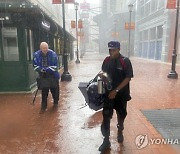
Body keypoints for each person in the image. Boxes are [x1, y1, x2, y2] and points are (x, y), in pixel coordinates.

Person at [98, 41, 133, 152]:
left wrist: (116, 90)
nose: (111, 52)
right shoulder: (107, 60)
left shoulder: (125, 61)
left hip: (121, 94)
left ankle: (120, 130)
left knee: (121, 115)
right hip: (108, 94)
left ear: (119, 49)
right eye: (110, 50)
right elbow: (103, 72)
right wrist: (102, 75)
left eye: (114, 50)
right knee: (106, 116)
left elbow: (128, 77)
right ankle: (106, 140)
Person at [33, 42, 60, 113]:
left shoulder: (53, 54)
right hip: (43, 76)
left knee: (55, 90)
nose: (45, 49)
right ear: (40, 48)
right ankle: (43, 107)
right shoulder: (36, 55)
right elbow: (35, 66)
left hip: (53, 75)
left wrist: (47, 69)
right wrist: (41, 69)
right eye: (44, 48)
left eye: (46, 48)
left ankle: (55, 102)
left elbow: (56, 67)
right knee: (44, 92)